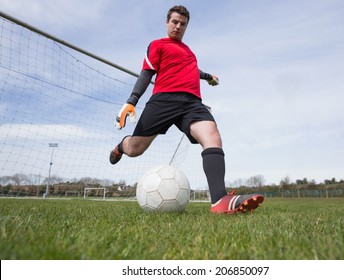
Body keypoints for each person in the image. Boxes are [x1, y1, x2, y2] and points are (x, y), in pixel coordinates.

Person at [110, 5, 264, 213]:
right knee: (135, 149)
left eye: (183, 24)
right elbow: (147, 73)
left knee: (212, 136)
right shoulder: (157, 45)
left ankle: (219, 200)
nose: (178, 26)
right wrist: (132, 100)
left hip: (192, 103)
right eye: (174, 22)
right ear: (167, 22)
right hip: (163, 100)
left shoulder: (189, 52)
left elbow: (192, 70)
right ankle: (121, 146)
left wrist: (208, 76)